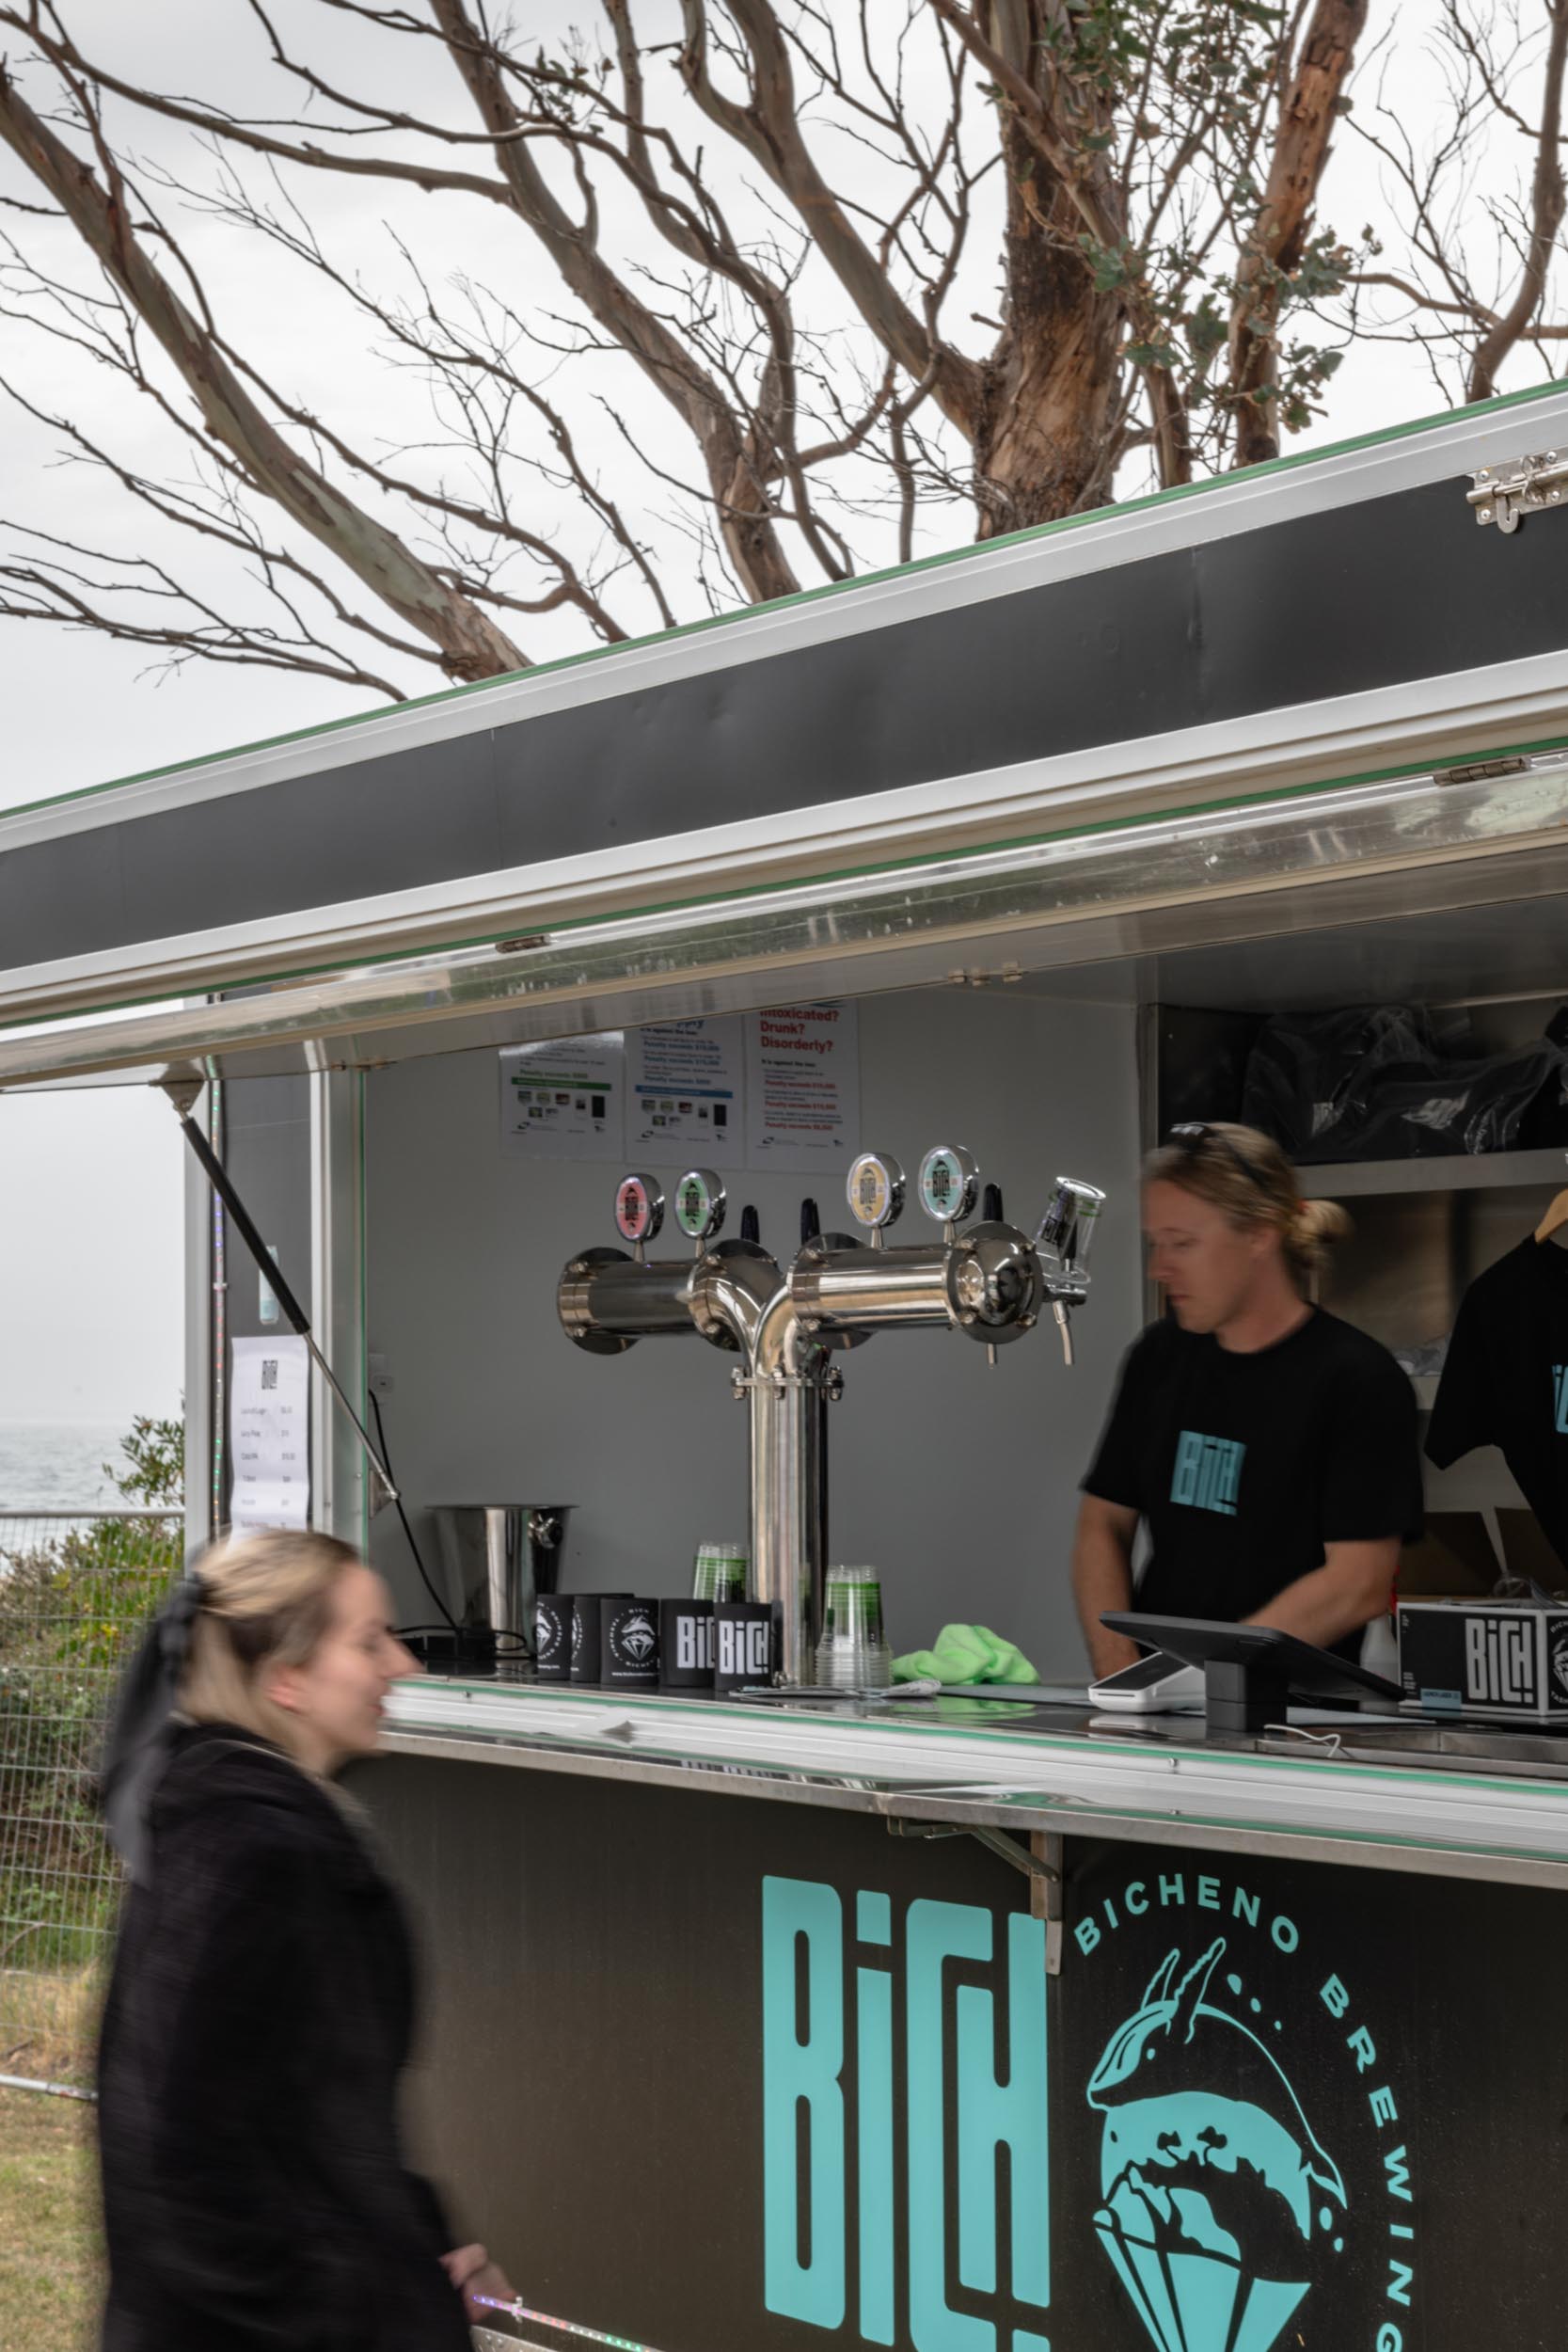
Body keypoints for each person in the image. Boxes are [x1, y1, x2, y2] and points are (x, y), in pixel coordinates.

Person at [97, 1530, 513, 2351]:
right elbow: (177, 2162)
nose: (404, 1666)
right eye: (368, 1642)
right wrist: (369, 2309)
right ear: (286, 1678)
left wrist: (419, 2249)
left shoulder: (230, 1825)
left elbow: (306, 2119)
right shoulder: (260, 1857)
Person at [1073, 1121, 1422, 1681]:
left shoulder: (1357, 1379)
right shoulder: (1159, 1358)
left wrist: (1203, 1680)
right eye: (1155, 1242)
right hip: (1158, 1710)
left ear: (1259, 1234)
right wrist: (1122, 1675)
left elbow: (1358, 1585)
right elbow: (1102, 1524)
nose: (1158, 1268)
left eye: (1182, 1243)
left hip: (1298, 1728)